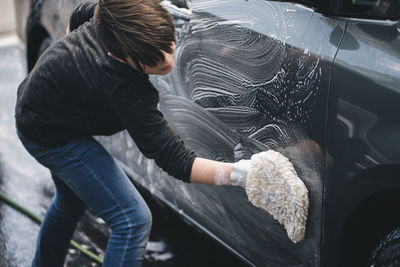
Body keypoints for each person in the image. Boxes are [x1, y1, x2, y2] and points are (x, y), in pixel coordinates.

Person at [15, 0, 247, 266]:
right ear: (120, 56)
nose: (168, 59)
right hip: (48, 134)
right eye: (152, 59)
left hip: (40, 105)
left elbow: (81, 12)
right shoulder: (125, 89)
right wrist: (240, 175)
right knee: (132, 220)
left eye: (169, 44)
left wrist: (74, 65)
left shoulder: (115, 15)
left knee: (70, 201)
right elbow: (176, 160)